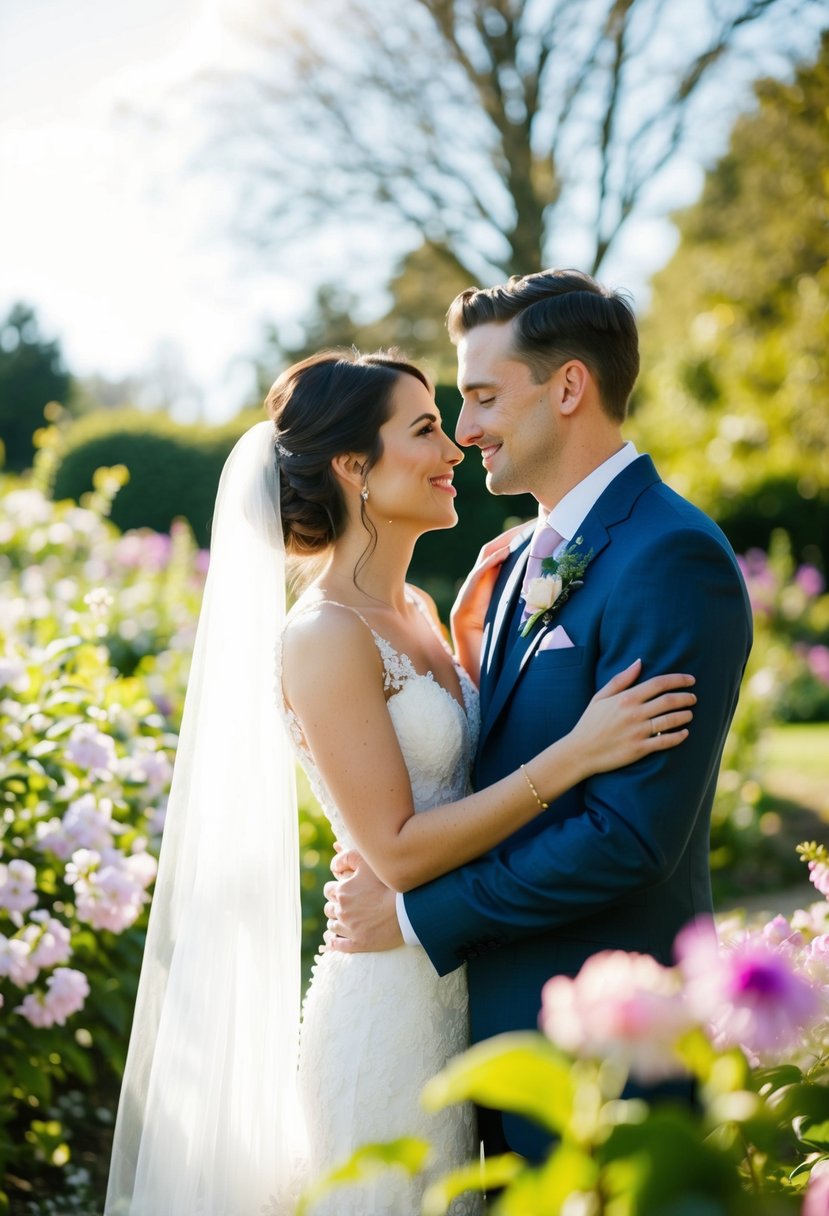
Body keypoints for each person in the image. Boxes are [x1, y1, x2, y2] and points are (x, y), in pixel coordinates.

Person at [104, 346, 696, 1215]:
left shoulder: (421, 609)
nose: (455, 446)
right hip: (389, 1006)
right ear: (353, 467)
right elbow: (398, 849)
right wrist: (575, 754)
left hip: (470, 975)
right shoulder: (323, 637)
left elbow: (453, 764)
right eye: (424, 428)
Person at [323, 270, 754, 1163]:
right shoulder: (518, 556)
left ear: (567, 387)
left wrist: (411, 916)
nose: (465, 429)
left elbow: (627, 838)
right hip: (477, 1041)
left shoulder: (670, 557)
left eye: (481, 397)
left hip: (607, 1057)